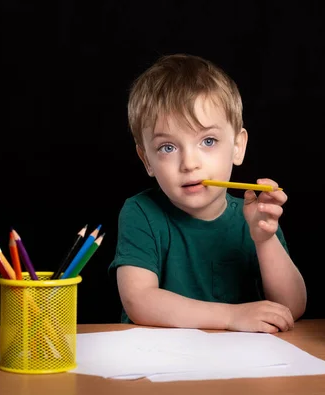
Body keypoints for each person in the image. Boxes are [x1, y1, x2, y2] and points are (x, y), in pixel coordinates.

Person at [108, 54, 306, 333]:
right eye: (168, 147)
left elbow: (291, 308)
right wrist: (231, 317)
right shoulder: (141, 212)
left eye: (208, 141)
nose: (189, 164)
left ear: (238, 147)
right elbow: (139, 300)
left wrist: (265, 240)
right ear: (147, 160)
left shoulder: (253, 216)